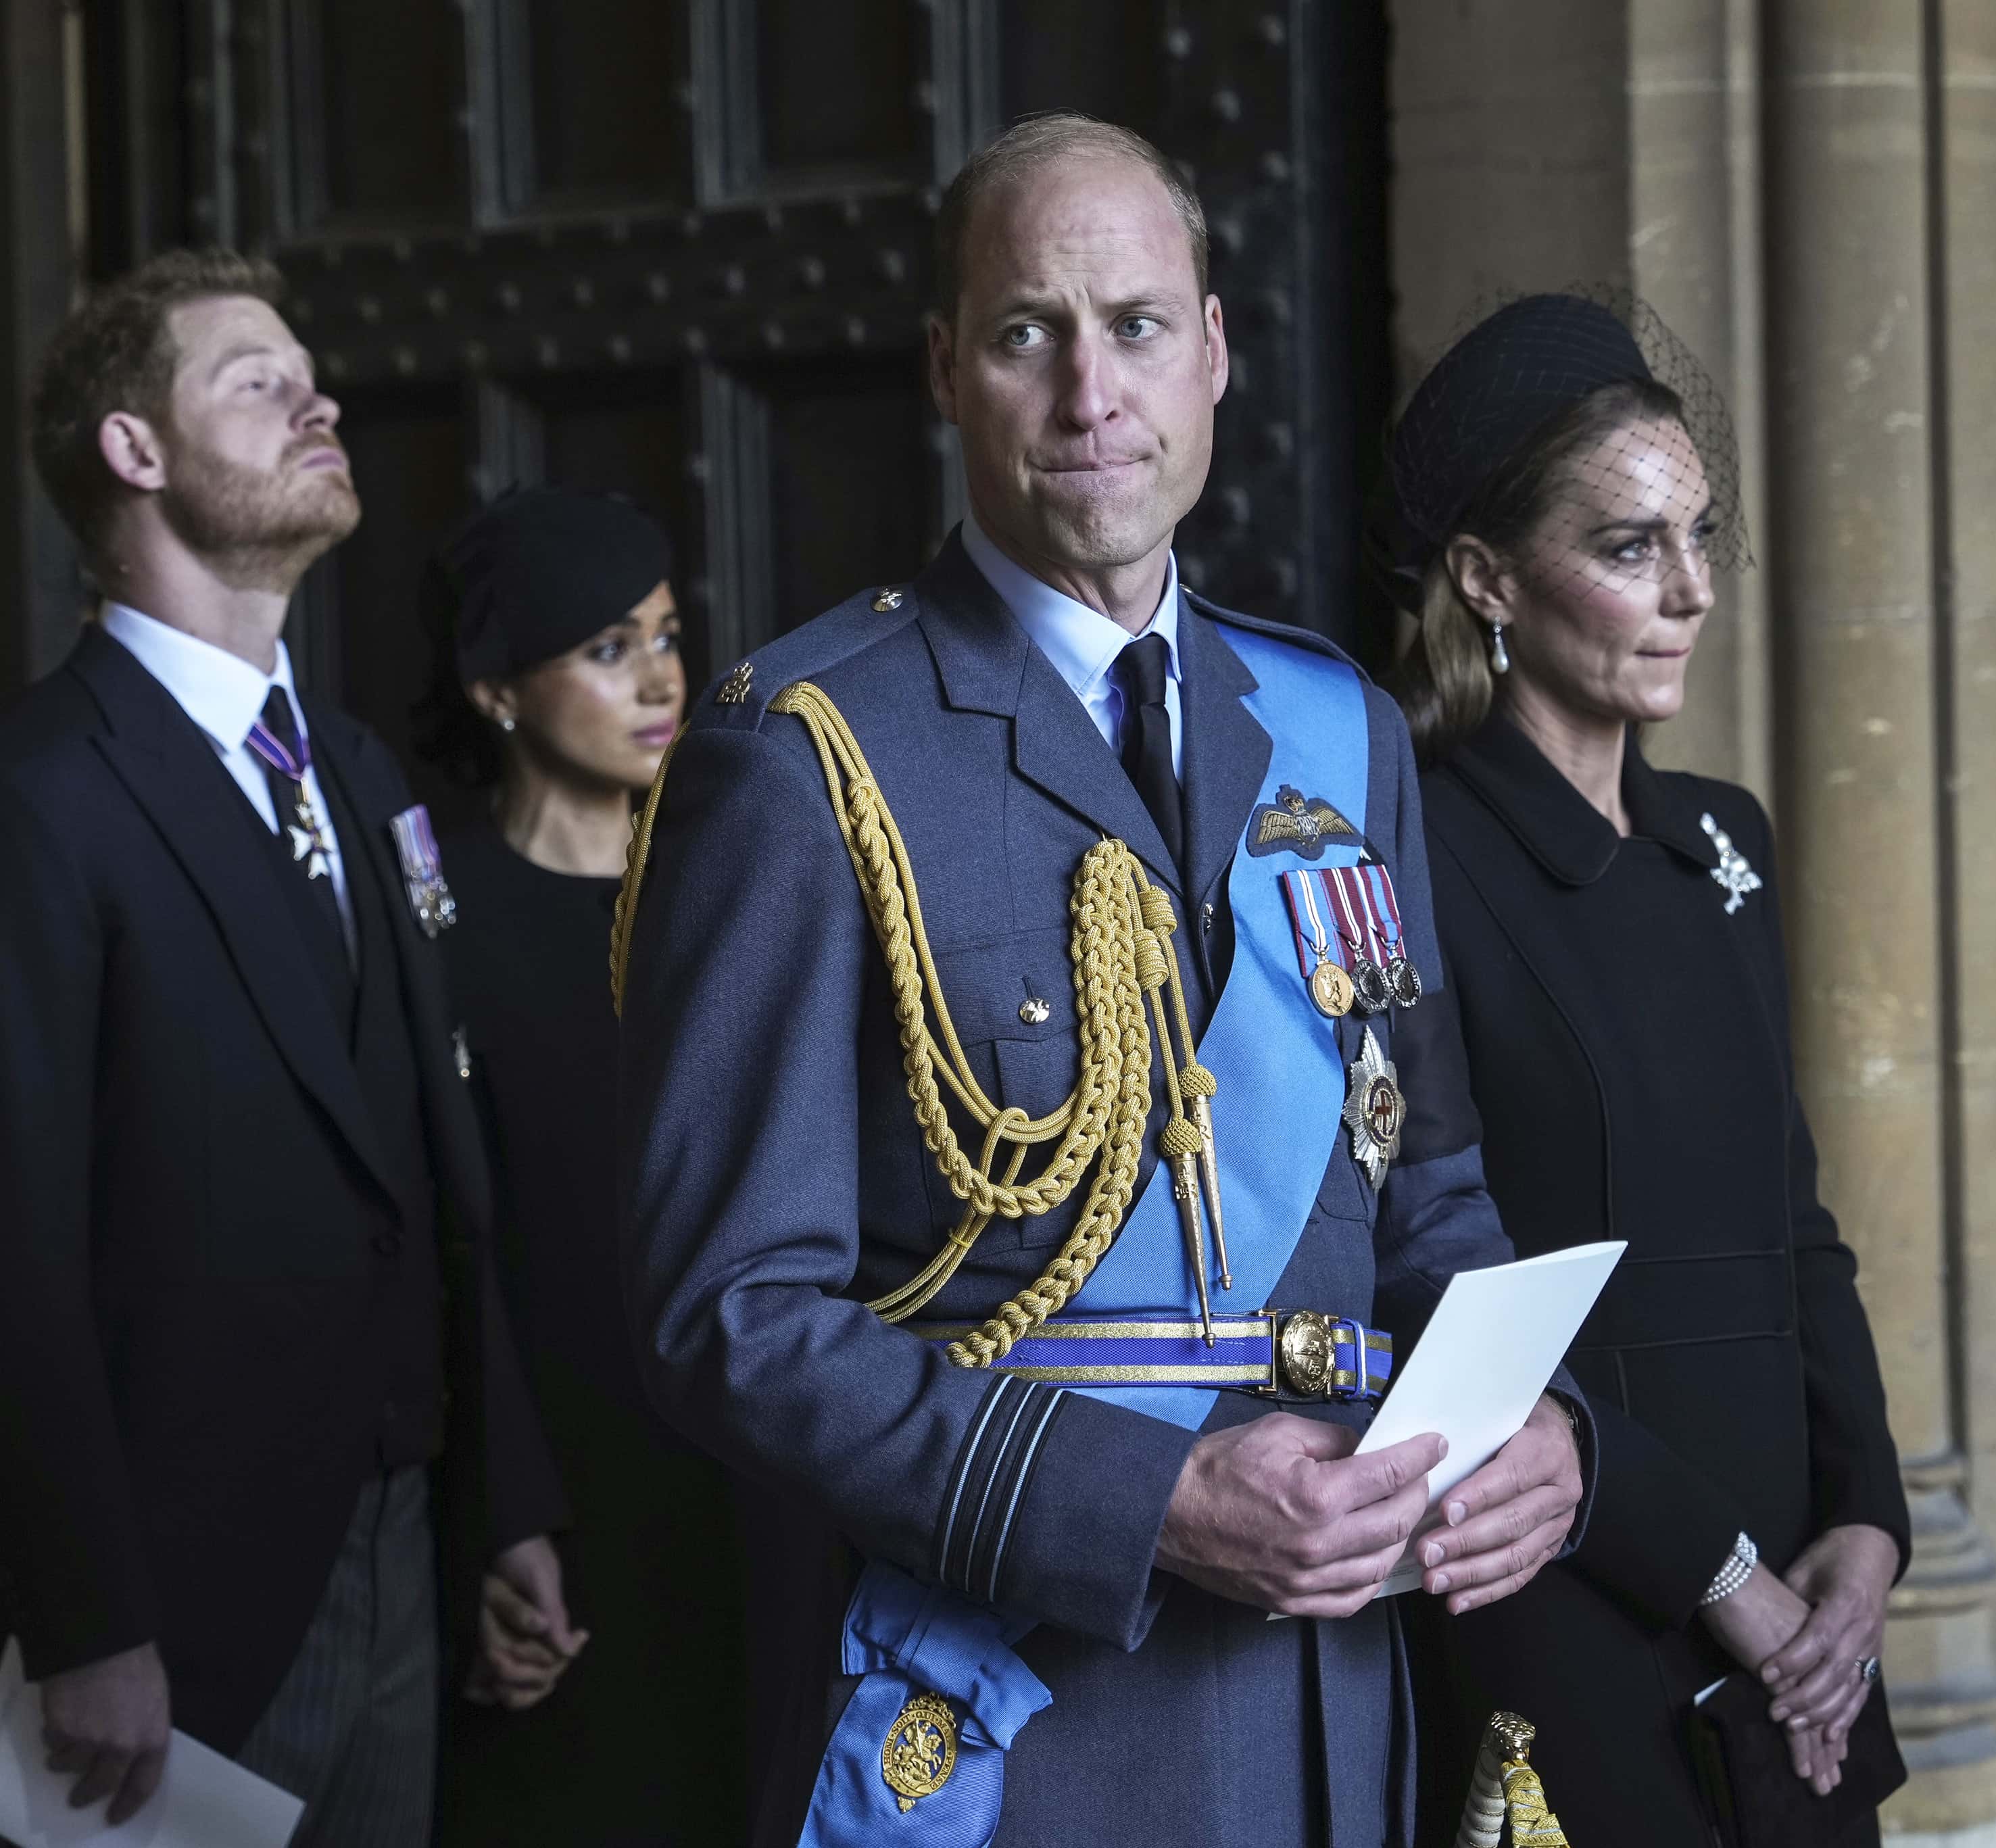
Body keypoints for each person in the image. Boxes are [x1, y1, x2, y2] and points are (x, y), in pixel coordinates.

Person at [613, 112, 1591, 1847]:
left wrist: (1541, 1428)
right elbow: (731, 1315)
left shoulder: (1333, 728)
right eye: (1025, 334)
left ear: (1213, 354)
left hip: (1321, 1702)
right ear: (944, 370)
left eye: (1136, 325)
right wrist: (1142, 1502)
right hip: (1016, 1721)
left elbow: (1426, 1183)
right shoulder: (809, 752)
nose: (1090, 392)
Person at [0, 249, 570, 1844]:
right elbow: (15, 1238)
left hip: (405, 1542)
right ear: (134, 451)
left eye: (308, 372)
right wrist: (85, 1613)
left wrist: (501, 1500)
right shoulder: (42, 794)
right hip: (176, 1601)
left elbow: (441, 1170)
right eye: (255, 379)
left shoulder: (364, 771)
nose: (318, 398)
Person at [1379, 293, 1913, 1847]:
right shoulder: (1405, 848)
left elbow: (1796, 1223)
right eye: (1628, 547)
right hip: (1568, 1582)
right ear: (1486, 579)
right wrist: (1713, 1573)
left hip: (1796, 1607)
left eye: (1698, 536)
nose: (1689, 590)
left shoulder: (1719, 843)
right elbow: (1425, 1279)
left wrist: (1866, 1524)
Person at [408, 487, 752, 1846]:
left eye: (666, 634)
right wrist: (494, 1518)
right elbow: (444, 1243)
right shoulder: (431, 915)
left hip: (737, 1472)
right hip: (544, 1486)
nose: (664, 676)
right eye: (609, 647)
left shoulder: (730, 884)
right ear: (497, 686)